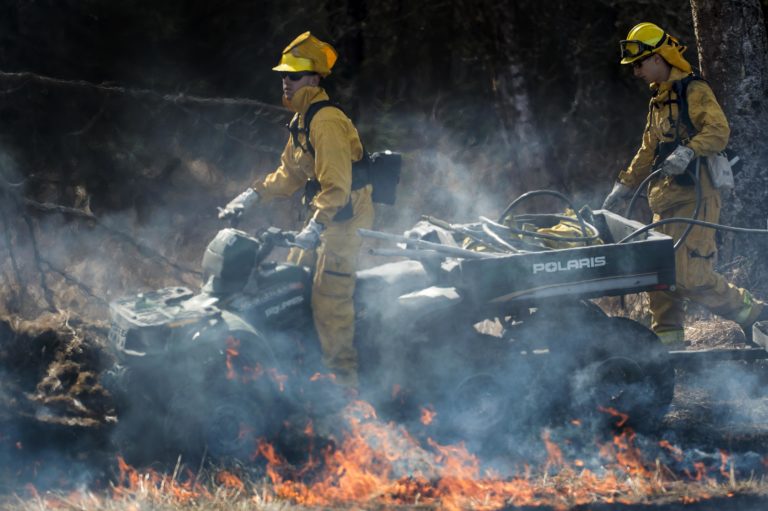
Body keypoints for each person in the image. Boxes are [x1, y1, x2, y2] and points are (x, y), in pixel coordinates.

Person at [218, 32, 374, 388]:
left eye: (294, 76)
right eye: (283, 76)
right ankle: (306, 371)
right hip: (322, 219)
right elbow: (288, 174)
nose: (285, 83)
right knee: (291, 282)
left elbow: (337, 186)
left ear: (314, 79)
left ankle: (346, 391)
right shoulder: (302, 121)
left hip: (345, 222)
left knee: (327, 301)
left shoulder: (327, 121)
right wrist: (250, 196)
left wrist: (316, 226)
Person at [602, 22, 767, 347]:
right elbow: (648, 150)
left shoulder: (694, 91)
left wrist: (689, 151)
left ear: (660, 57)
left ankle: (757, 315)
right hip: (664, 201)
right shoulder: (660, 102)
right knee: (660, 278)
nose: (636, 72)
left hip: (697, 197)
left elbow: (719, 131)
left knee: (692, 277)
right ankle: (668, 352)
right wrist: (622, 187)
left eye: (640, 63)